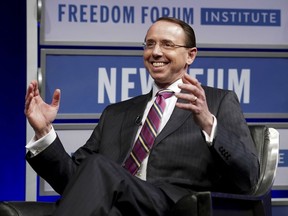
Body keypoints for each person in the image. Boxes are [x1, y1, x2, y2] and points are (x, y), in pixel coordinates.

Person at [25, 17, 259, 216]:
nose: (155, 52)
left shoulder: (217, 102)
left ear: (190, 55)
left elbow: (248, 177)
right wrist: (44, 132)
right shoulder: (116, 113)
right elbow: (75, 181)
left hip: (174, 206)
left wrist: (209, 124)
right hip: (117, 205)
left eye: (167, 44)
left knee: (98, 167)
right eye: (149, 44)